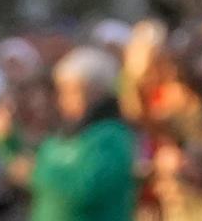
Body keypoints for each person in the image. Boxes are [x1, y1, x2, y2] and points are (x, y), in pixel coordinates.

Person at [24, 47, 136, 221]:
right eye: (61, 91)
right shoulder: (63, 132)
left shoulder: (111, 136)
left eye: (71, 91)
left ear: (96, 91)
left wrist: (36, 171)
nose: (63, 100)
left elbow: (86, 189)